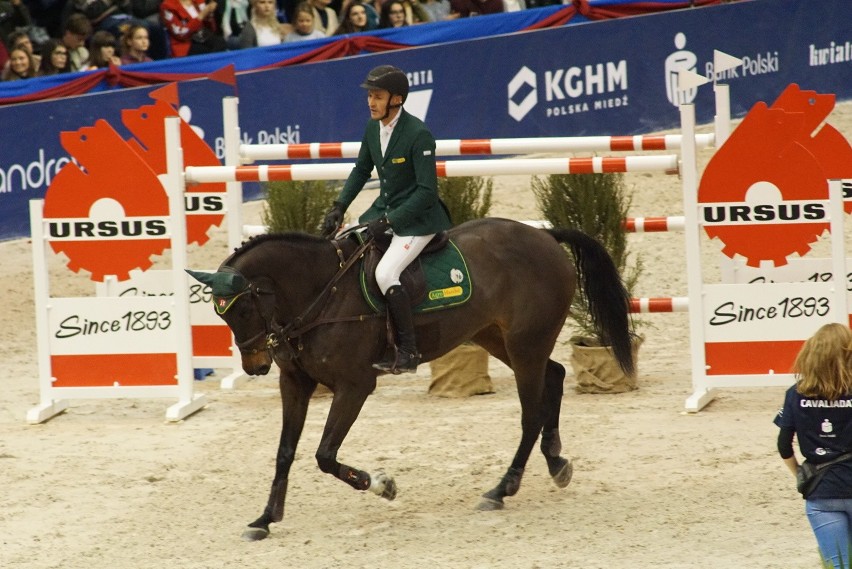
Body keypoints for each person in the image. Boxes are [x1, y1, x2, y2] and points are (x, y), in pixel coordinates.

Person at [321, 65, 452, 374]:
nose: (371, 102)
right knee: (348, 251)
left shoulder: (418, 135)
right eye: (369, 95)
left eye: (377, 96)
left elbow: (426, 193)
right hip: (385, 211)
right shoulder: (372, 128)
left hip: (418, 220)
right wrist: (339, 205)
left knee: (385, 273)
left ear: (397, 99)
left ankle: (408, 350)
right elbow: (361, 170)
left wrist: (391, 220)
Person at [774, 322, 852, 569]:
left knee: (838, 564)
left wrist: (802, 474)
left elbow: (784, 445)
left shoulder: (795, 394)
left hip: (822, 493)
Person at [160, 0, 227, 56]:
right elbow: (180, 33)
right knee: (207, 51)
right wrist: (202, 14)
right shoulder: (168, 6)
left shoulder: (199, 1)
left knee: (221, 43)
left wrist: (209, 15)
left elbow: (211, 28)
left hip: (203, 37)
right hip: (185, 44)